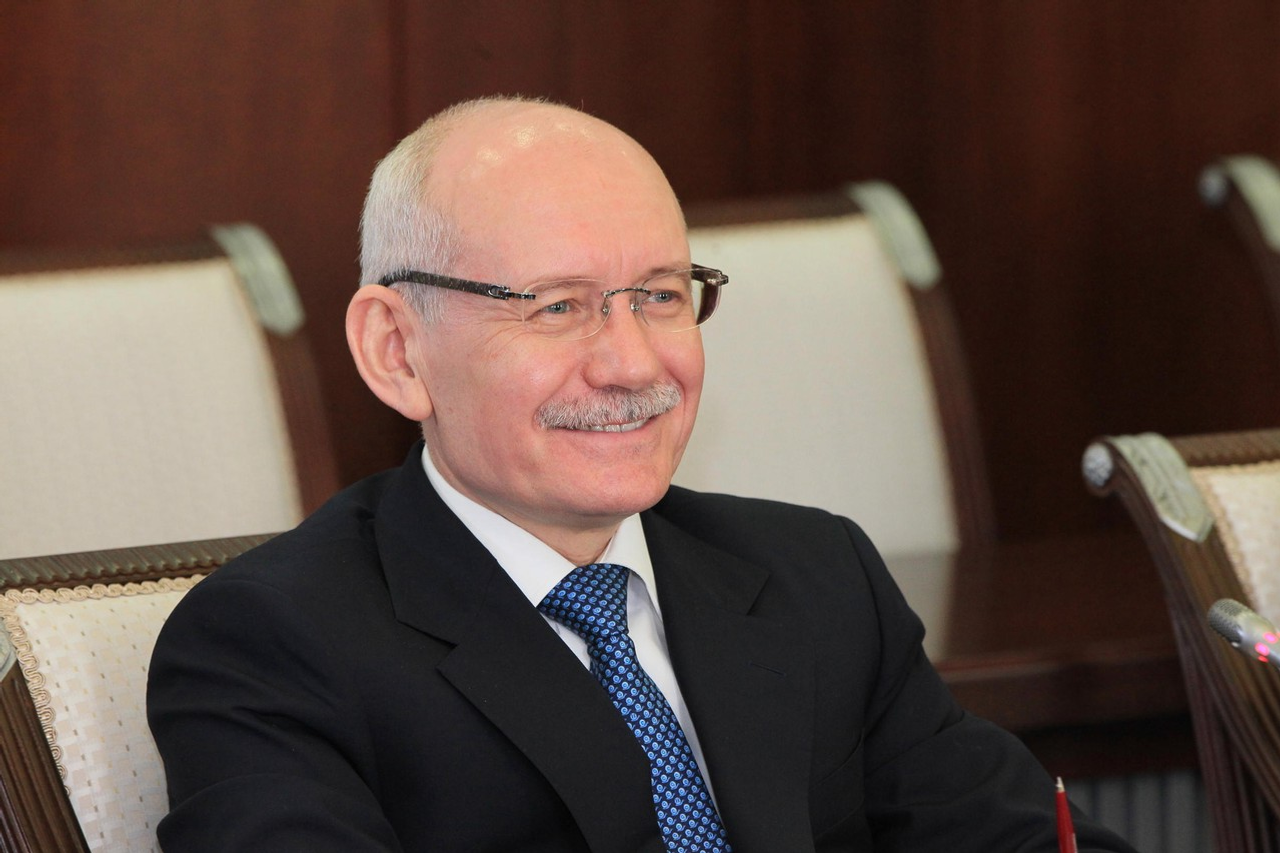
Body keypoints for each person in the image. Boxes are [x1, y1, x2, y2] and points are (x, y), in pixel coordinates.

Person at [147, 96, 1139, 852]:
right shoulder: (272, 644)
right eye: (557, 307)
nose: (631, 363)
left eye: (660, 296)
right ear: (396, 350)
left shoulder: (815, 575)